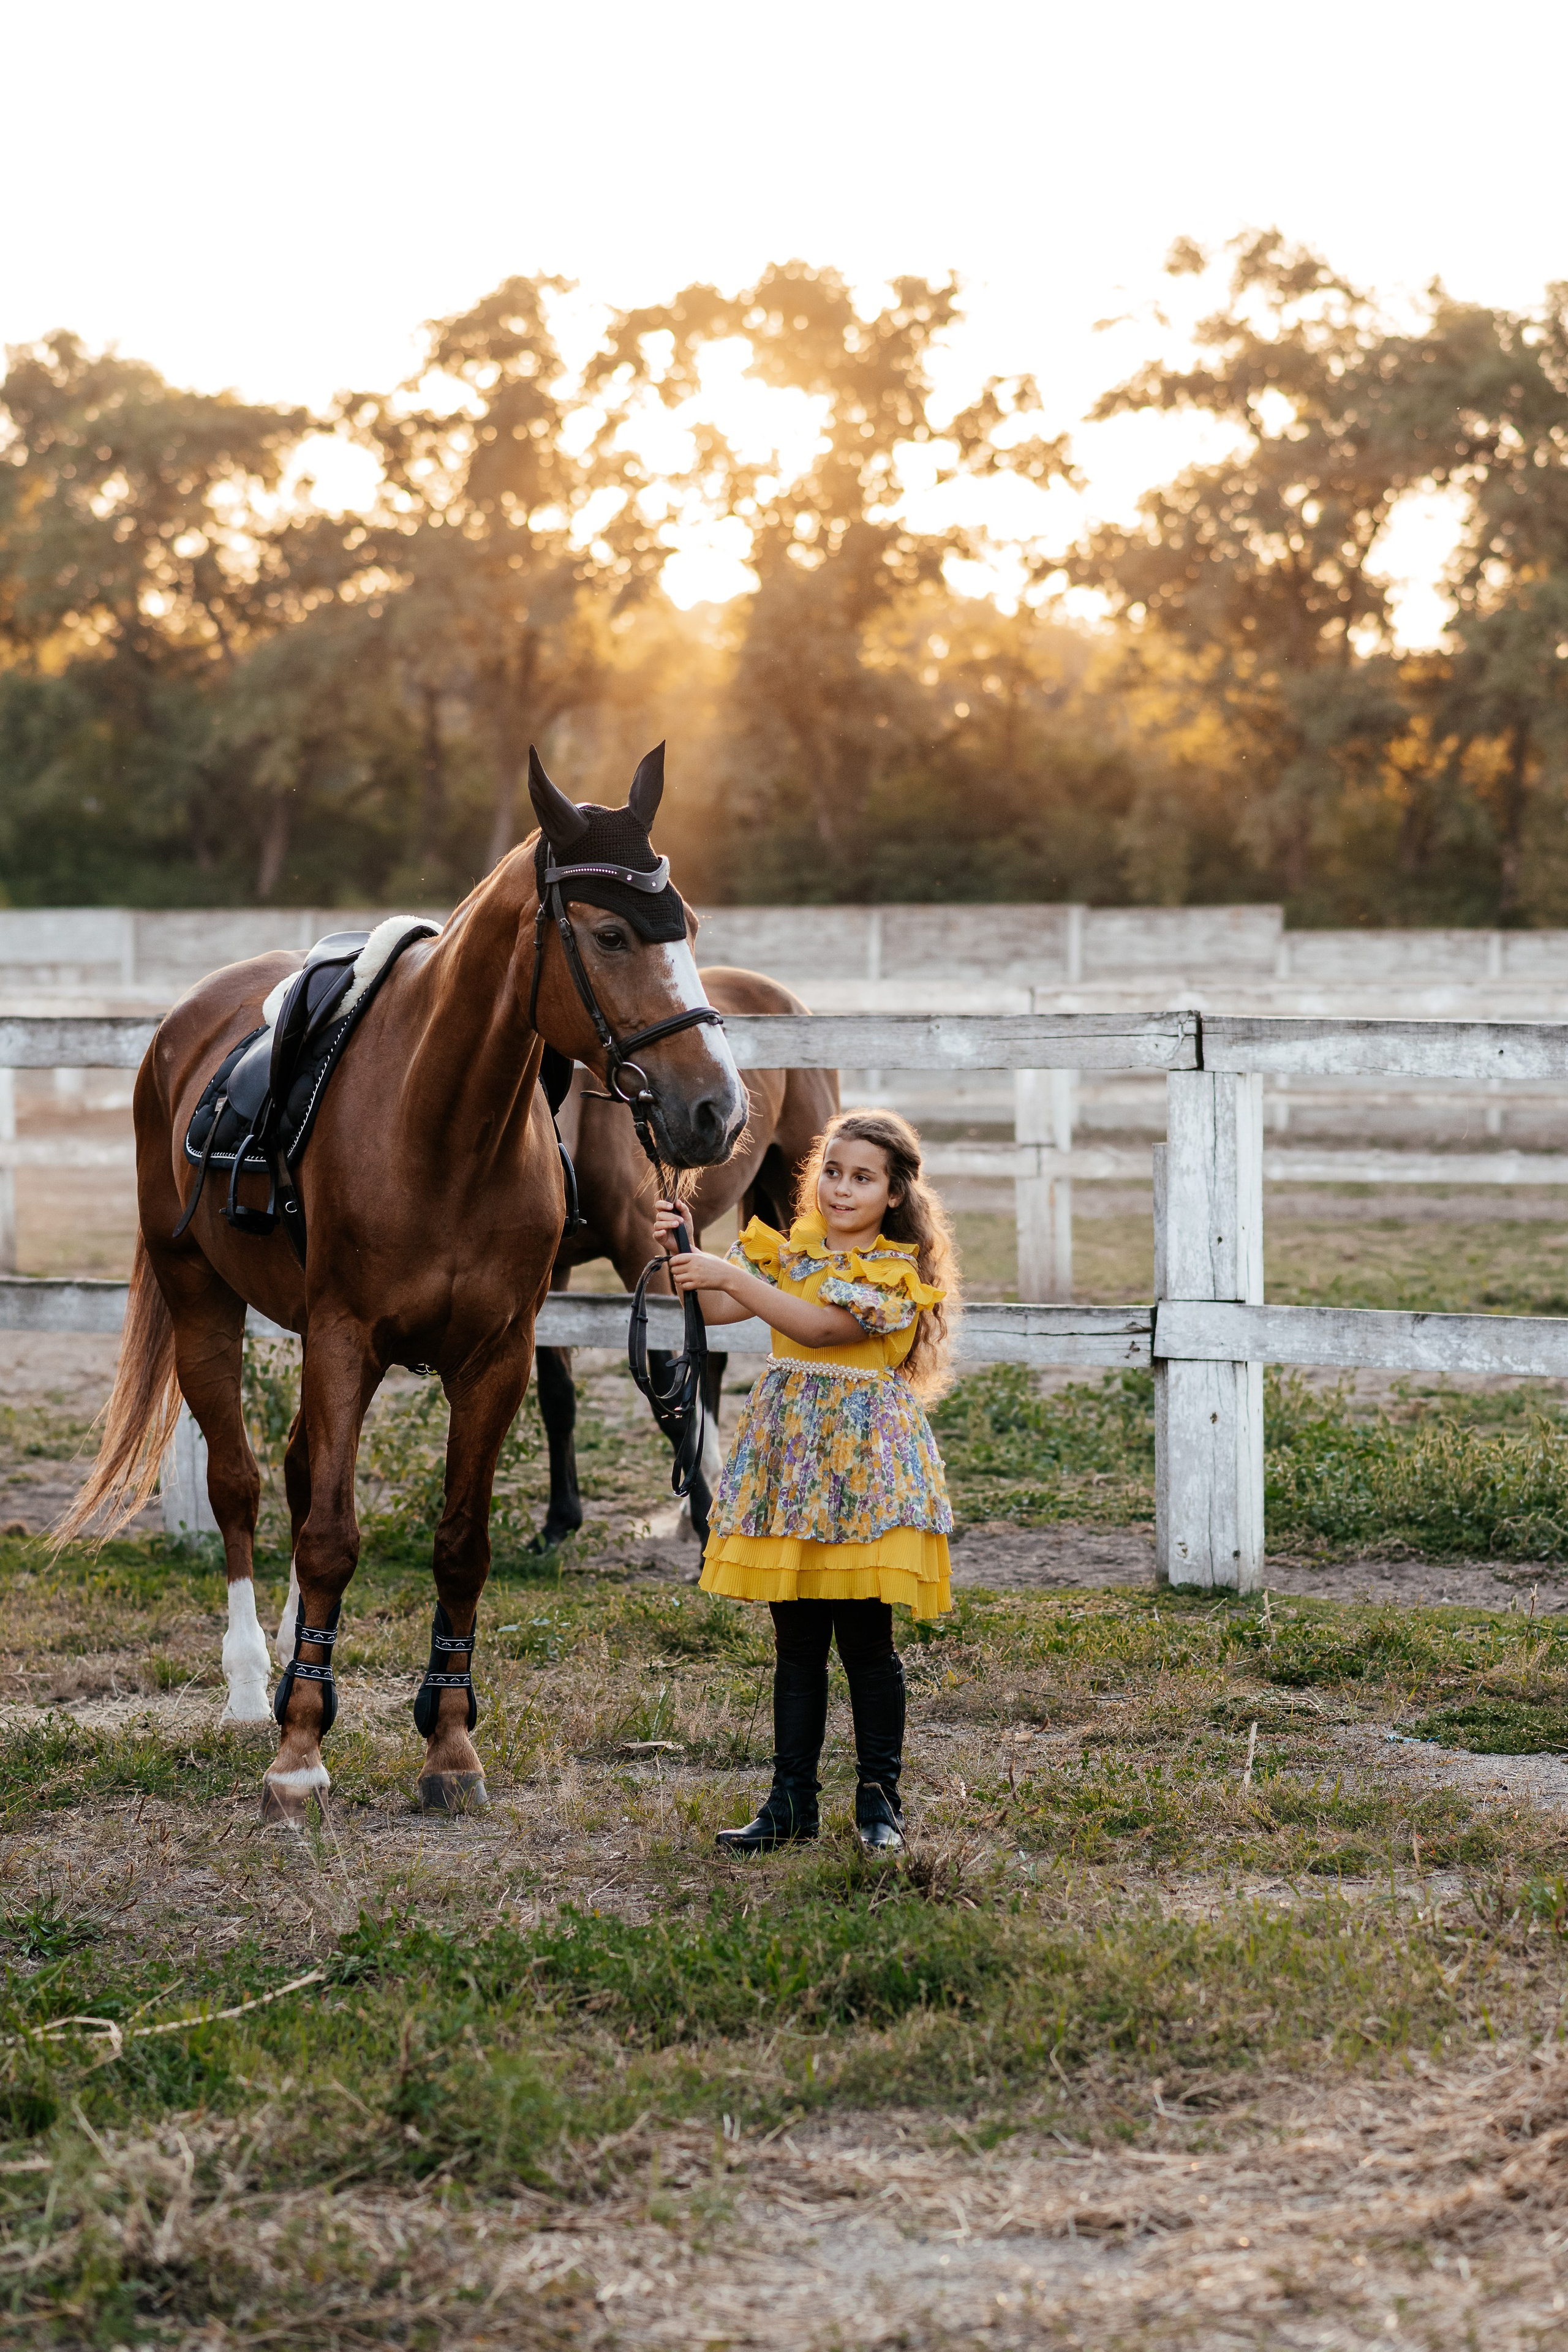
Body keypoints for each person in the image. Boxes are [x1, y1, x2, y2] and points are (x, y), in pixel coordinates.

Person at [652, 1109, 959, 1857]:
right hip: (792, 1469)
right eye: (832, 1171)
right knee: (795, 1643)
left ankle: (878, 1801)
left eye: (862, 1178)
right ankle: (790, 1801)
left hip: (858, 1475)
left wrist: (730, 1273)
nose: (841, 1189)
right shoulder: (788, 1253)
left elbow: (823, 1329)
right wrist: (682, 1254)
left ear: (893, 1194)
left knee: (864, 1641)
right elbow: (719, 1307)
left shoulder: (892, 1271)